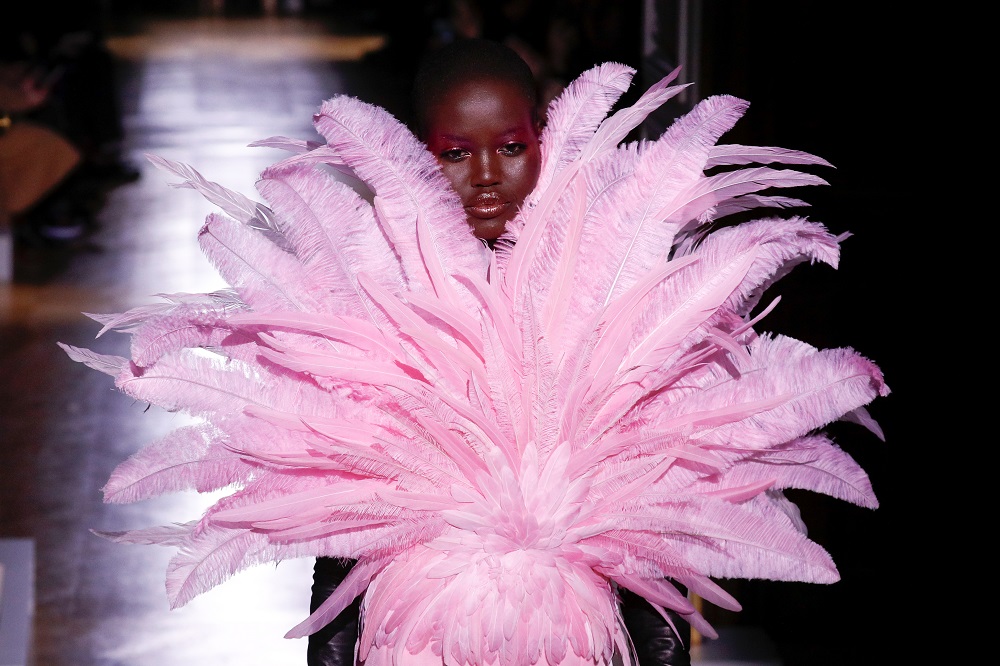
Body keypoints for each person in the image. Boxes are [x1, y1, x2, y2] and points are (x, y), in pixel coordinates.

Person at [307, 37, 691, 666]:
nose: (487, 175)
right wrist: (331, 642)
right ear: (416, 156)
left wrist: (661, 644)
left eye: (512, 148)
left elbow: (641, 501)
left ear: (545, 139)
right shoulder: (384, 291)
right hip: (421, 630)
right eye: (456, 153)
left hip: (569, 636)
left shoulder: (603, 287)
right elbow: (349, 502)